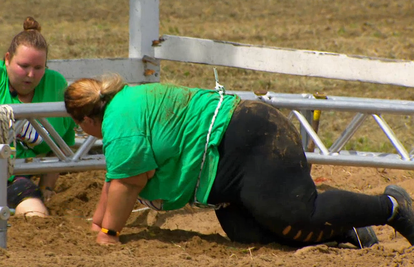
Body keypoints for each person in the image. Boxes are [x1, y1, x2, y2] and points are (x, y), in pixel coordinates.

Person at [64, 73, 414, 248]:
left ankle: (391, 206)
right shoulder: (123, 106)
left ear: (85, 121)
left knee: (297, 213)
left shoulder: (118, 124)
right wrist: (98, 223)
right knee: (247, 233)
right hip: (227, 163)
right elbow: (116, 178)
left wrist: (108, 234)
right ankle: (348, 229)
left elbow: (128, 182)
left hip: (248, 138)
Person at [1, 17, 76, 217]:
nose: (31, 75)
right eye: (23, 66)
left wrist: (47, 188)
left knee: (36, 215)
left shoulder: (55, 85)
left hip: (17, 180)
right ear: (7, 59)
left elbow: (60, 147)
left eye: (38, 68)